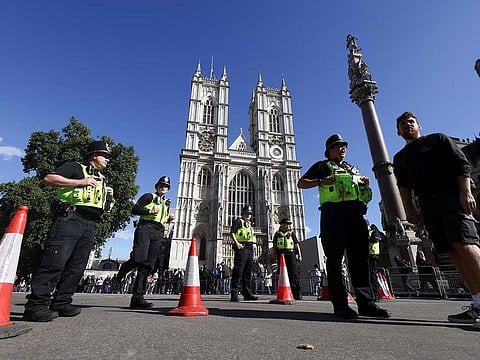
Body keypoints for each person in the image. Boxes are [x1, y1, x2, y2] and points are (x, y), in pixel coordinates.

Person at [393, 111, 480, 328]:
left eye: (410, 122)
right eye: (402, 124)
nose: (407, 126)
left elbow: (462, 164)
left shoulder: (437, 140)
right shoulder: (400, 158)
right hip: (428, 206)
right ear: (398, 131)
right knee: (453, 252)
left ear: (419, 125)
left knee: (466, 245)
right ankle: (477, 302)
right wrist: (409, 209)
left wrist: (465, 192)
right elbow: (403, 186)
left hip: (451, 197)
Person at [298, 134, 390, 319]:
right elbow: (301, 183)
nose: (343, 149)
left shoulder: (351, 169)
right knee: (334, 261)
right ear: (329, 150)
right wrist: (320, 181)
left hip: (355, 215)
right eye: (338, 146)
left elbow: (362, 193)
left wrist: (364, 185)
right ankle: (340, 305)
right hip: (333, 215)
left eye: (344, 146)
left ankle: (366, 303)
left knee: (360, 261)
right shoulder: (322, 166)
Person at [23, 140, 114, 322]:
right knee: (54, 261)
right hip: (70, 218)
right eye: (105, 155)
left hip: (90, 223)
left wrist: (108, 196)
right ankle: (36, 306)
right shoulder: (75, 168)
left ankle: (62, 302)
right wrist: (80, 182)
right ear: (94, 155)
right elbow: (49, 179)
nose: (107, 160)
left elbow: (103, 206)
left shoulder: (102, 179)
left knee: (77, 266)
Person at [117, 176, 174, 309]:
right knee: (139, 257)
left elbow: (162, 219)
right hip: (145, 228)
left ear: (168, 189)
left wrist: (169, 219)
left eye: (165, 186)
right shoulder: (149, 197)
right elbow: (134, 210)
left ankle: (138, 298)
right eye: (161, 185)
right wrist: (149, 210)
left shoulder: (166, 203)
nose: (163, 187)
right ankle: (124, 268)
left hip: (159, 231)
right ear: (157, 186)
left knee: (148, 265)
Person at [229, 205, 258, 302]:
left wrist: (254, 244)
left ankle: (247, 293)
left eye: (250, 213)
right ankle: (234, 293)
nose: (248, 215)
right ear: (243, 213)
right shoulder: (238, 222)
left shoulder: (249, 224)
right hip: (242, 248)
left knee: (247, 272)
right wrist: (237, 243)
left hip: (250, 249)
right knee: (238, 271)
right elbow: (232, 232)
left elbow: (252, 235)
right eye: (247, 213)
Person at [272, 218, 303, 300]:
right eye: (287, 224)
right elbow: (274, 246)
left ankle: (296, 293)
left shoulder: (291, 233)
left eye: (290, 224)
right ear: (282, 225)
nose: (289, 226)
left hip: (291, 254)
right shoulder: (277, 234)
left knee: (294, 273)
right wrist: (274, 256)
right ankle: (283, 292)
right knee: (282, 273)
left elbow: (297, 245)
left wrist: (299, 255)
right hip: (281, 255)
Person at [368, 224, 382, 300]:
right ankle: (371, 294)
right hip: (370, 255)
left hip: (373, 255)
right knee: (370, 275)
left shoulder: (374, 232)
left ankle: (376, 295)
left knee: (372, 275)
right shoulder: (371, 232)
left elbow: (375, 240)